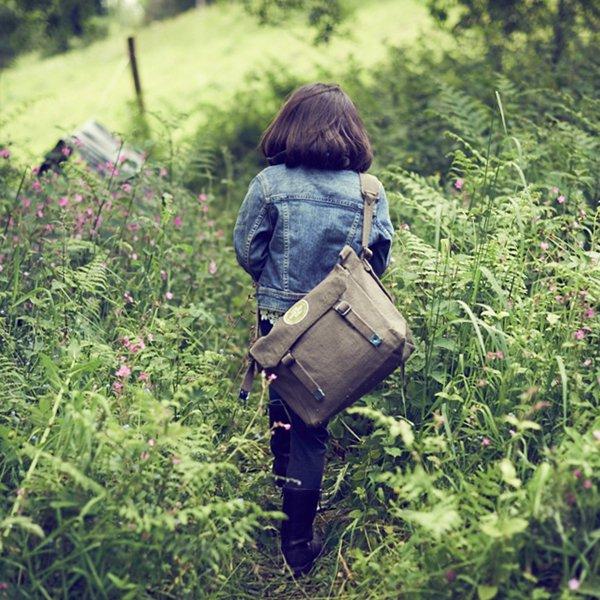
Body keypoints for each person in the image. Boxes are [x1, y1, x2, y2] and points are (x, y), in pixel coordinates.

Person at [232, 82, 394, 577]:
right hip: (341, 326)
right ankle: (299, 537)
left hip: (281, 322)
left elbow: (248, 250)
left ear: (291, 124)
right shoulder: (368, 191)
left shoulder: (270, 184)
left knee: (284, 411)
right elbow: (379, 260)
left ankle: (291, 531)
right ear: (352, 131)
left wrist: (280, 286)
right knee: (312, 426)